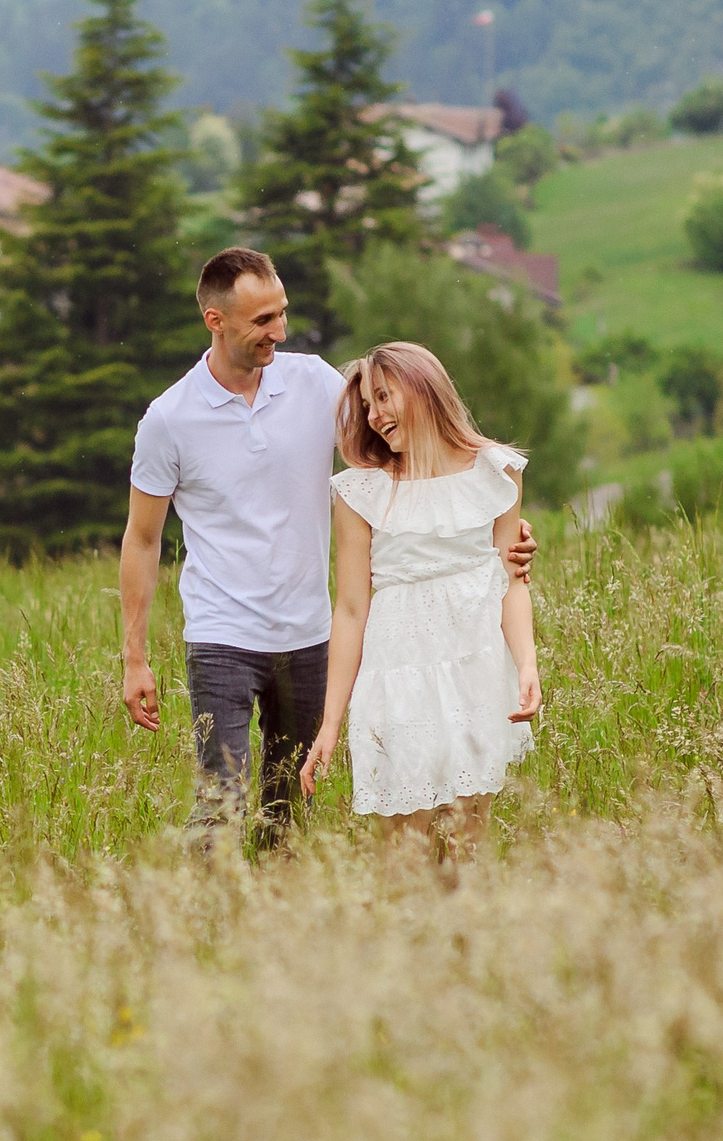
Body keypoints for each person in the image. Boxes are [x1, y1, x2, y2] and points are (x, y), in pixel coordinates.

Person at [122, 250, 532, 853]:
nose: (278, 332)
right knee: (221, 802)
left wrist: (498, 531)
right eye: (262, 321)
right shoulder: (168, 419)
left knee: (285, 811)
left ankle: (282, 920)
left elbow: (402, 429)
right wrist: (135, 657)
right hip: (221, 634)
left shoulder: (314, 382)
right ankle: (208, 925)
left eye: (282, 314)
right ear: (216, 320)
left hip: (310, 633)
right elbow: (142, 538)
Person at [299, 341, 541, 870]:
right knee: (403, 861)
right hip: (396, 681)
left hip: (475, 674)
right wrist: (330, 722)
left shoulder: (496, 472)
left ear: (423, 387)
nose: (375, 415)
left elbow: (510, 580)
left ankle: (464, 950)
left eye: (384, 396)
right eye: (367, 405)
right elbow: (350, 611)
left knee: (467, 854)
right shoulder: (361, 492)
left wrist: (526, 663)